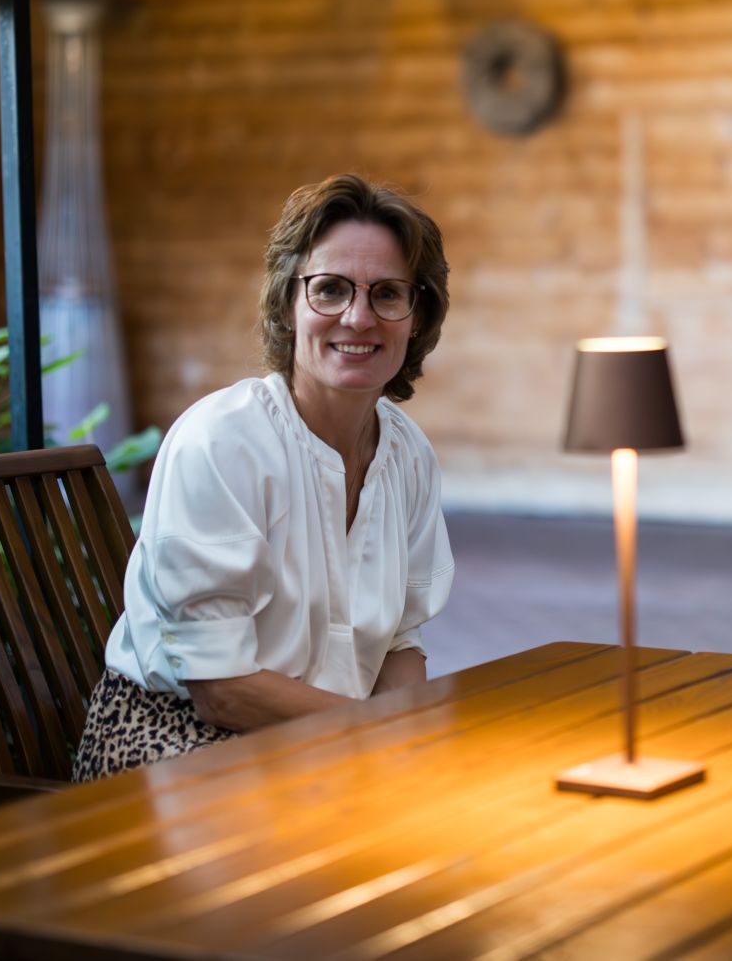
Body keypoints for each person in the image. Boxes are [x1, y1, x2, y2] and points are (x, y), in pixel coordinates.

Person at [73, 173, 454, 782]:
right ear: (287, 304)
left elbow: (399, 646)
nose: (358, 317)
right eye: (329, 289)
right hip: (174, 748)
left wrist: (397, 742)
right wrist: (375, 740)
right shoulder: (222, 442)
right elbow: (222, 691)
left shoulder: (407, 454)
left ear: (417, 316)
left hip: (324, 744)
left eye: (387, 294)